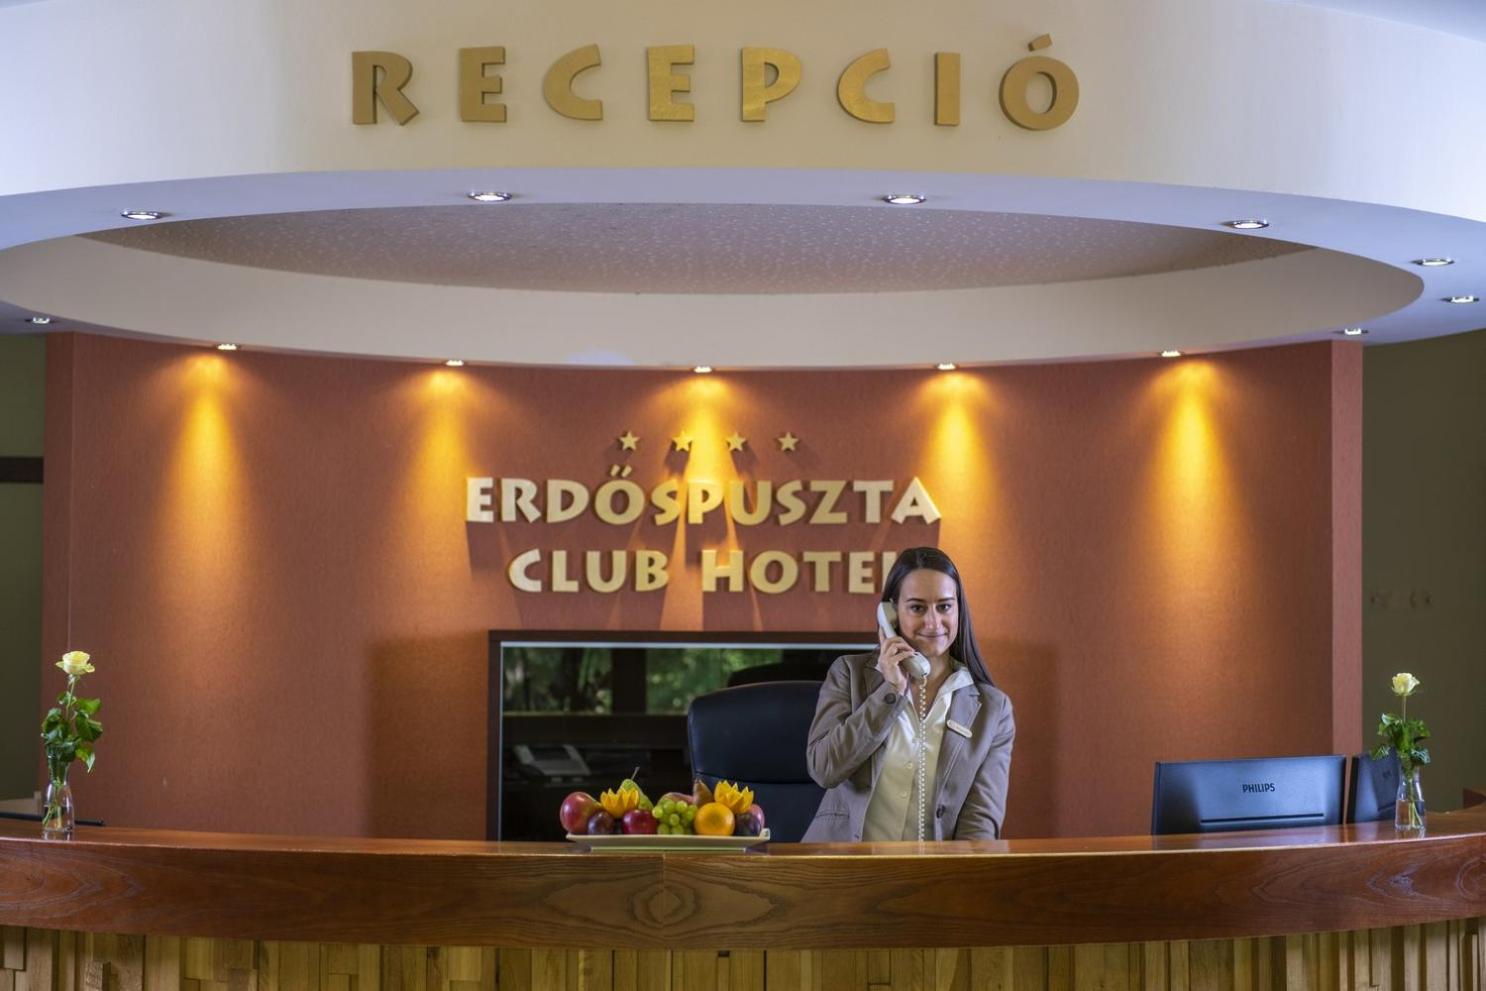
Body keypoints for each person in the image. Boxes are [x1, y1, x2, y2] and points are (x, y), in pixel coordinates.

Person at [802, 547, 1014, 841]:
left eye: (944, 606)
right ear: (891, 614)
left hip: (931, 869)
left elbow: (979, 823)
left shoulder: (993, 710)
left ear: (959, 610)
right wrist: (890, 692)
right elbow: (825, 769)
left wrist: (960, 870)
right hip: (844, 864)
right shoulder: (849, 674)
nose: (933, 622)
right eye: (917, 608)